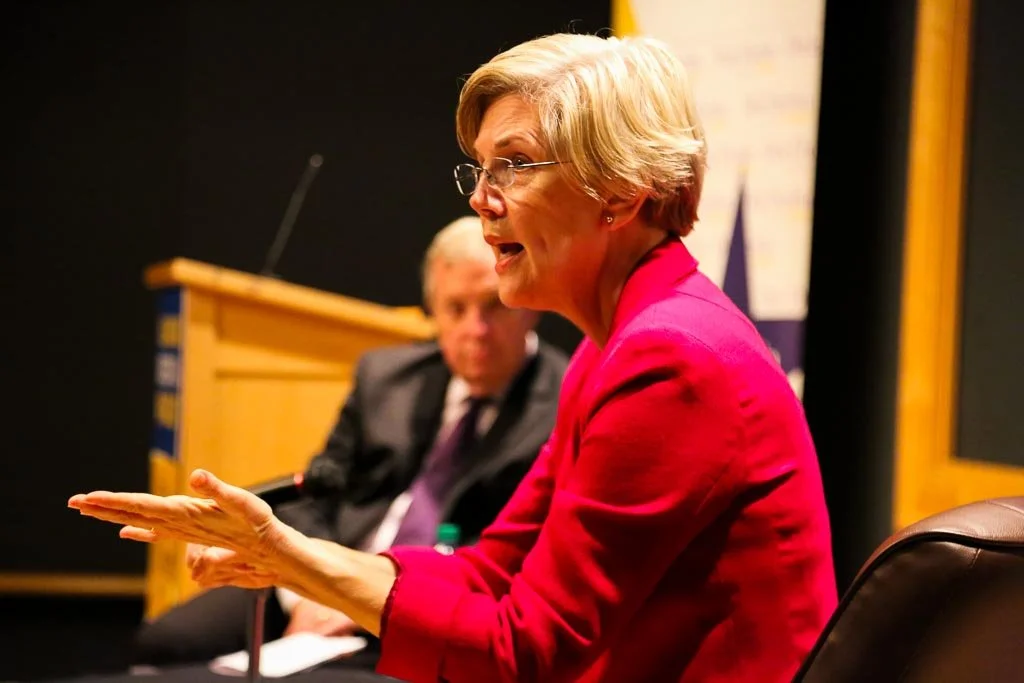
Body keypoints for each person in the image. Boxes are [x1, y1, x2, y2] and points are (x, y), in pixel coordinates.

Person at [70, 32, 838, 682]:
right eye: (480, 167)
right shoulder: (624, 341)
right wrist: (291, 553)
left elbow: (524, 648)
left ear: (620, 192)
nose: (480, 199)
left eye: (515, 163)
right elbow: (493, 567)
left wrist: (292, 559)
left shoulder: (671, 360)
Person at [132, 215, 569, 667]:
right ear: (432, 310)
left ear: (527, 302)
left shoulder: (565, 400)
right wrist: (313, 585)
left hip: (435, 600)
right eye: (455, 309)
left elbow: (519, 553)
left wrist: (363, 595)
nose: (475, 330)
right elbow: (315, 496)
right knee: (166, 642)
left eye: (493, 307)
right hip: (318, 576)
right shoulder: (386, 379)